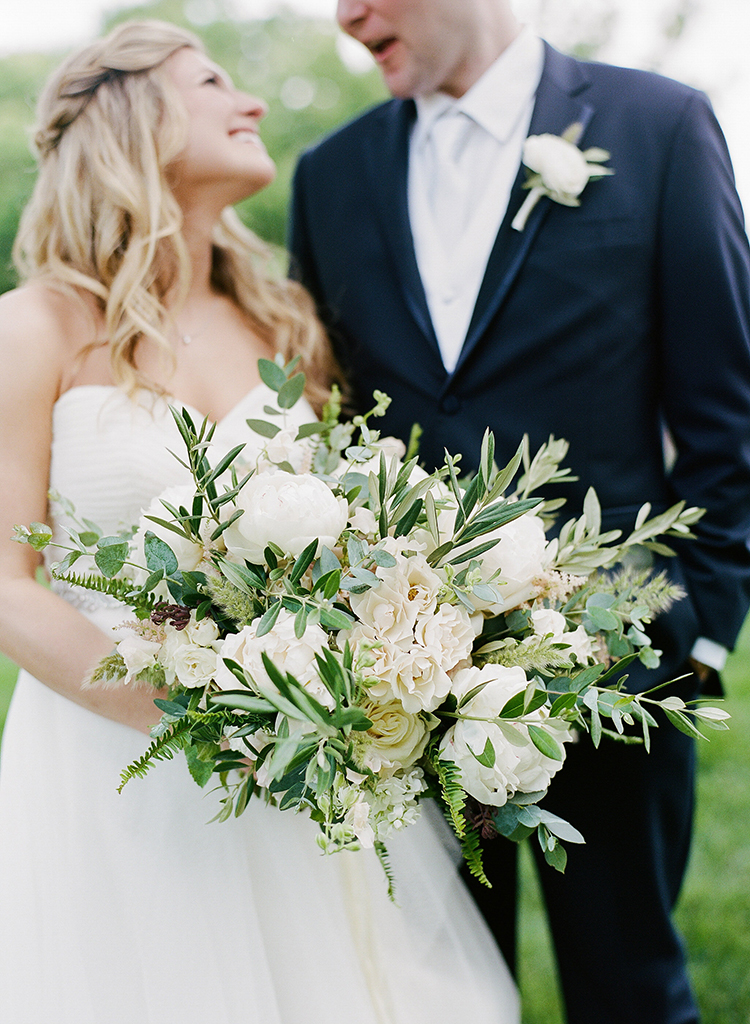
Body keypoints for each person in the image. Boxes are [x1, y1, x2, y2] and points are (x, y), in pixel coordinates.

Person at [0, 20, 521, 1024]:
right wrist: (193, 713)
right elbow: (3, 582)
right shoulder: (38, 326)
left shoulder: (281, 321)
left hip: (299, 762)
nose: (250, 103)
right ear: (129, 116)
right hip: (118, 775)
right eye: (212, 81)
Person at [289, 2, 750, 1023]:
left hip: (617, 657)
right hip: (400, 686)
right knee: (432, 997)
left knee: (631, 983)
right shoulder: (330, 174)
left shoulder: (658, 125)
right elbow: (328, 423)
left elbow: (728, 409)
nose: (345, 14)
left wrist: (698, 634)